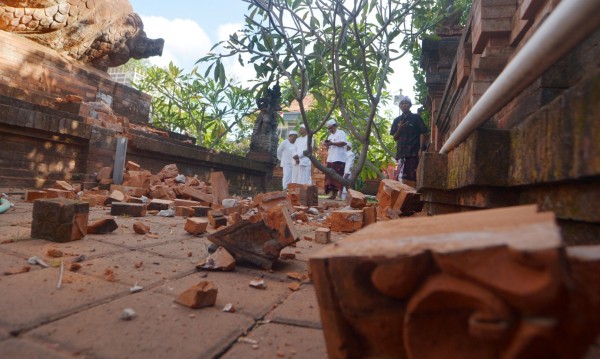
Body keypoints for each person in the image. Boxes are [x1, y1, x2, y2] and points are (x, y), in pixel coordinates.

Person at [390, 96, 429, 188]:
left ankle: (412, 196)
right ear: (399, 106)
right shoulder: (397, 120)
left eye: (406, 103)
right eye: (402, 103)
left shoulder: (416, 118)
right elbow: (395, 137)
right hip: (401, 153)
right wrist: (399, 129)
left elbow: (422, 133)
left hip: (413, 153)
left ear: (410, 105)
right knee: (399, 177)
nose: (404, 105)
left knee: (412, 177)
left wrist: (420, 149)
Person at [324, 119, 347, 199]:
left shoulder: (341, 133)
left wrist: (332, 143)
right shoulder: (330, 136)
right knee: (330, 178)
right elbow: (329, 148)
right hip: (330, 158)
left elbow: (343, 143)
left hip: (339, 158)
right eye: (329, 128)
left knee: (337, 177)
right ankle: (332, 195)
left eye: (331, 128)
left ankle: (337, 195)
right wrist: (327, 145)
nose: (330, 130)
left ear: (335, 126)